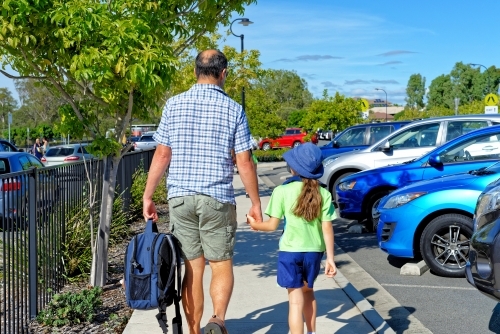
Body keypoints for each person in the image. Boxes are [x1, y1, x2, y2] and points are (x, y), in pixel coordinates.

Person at [143, 49, 262, 334]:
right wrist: (255, 202)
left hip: (181, 197)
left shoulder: (174, 104)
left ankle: (194, 330)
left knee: (192, 269)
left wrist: (148, 196)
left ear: (195, 71)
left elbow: (161, 155)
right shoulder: (234, 109)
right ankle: (217, 320)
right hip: (216, 198)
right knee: (220, 264)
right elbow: (244, 161)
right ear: (224, 74)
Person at [247, 143, 337, 334]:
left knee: (295, 302)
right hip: (314, 252)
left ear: (293, 168)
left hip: (290, 252)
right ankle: (312, 332)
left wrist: (254, 225)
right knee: (309, 294)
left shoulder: (282, 191)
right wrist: (330, 258)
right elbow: (327, 227)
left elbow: (271, 226)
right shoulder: (324, 193)